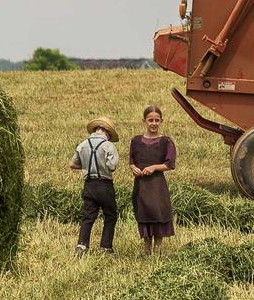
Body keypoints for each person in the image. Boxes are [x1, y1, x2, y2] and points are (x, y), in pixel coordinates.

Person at [69, 116, 122, 256]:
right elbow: (112, 166)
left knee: (88, 216)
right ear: (107, 132)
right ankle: (105, 247)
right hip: (104, 184)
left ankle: (82, 245)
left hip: (89, 185)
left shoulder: (82, 144)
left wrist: (86, 165)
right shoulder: (109, 146)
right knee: (110, 215)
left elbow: (72, 164)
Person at [129, 104, 176, 255]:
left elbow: (170, 164)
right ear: (144, 121)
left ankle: (158, 249)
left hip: (157, 186)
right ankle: (146, 249)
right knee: (144, 214)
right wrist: (133, 168)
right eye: (150, 120)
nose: (154, 123)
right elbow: (131, 161)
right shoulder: (135, 141)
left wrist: (154, 167)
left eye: (157, 120)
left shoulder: (166, 142)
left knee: (158, 213)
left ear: (161, 121)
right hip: (141, 185)